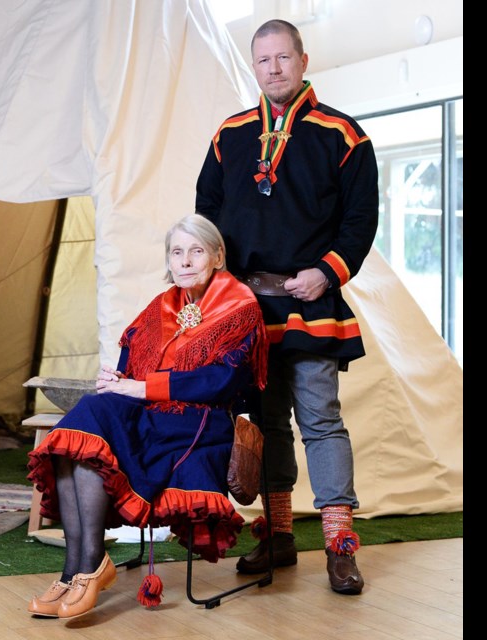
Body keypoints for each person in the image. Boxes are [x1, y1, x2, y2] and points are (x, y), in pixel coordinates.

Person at [195, 19, 379, 596]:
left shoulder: (342, 135)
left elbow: (360, 220)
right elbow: (207, 213)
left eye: (282, 58)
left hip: (311, 303)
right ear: (253, 67)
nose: (273, 69)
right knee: (268, 423)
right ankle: (277, 536)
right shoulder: (230, 134)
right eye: (262, 60)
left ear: (302, 59)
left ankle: (339, 546)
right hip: (248, 308)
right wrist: (218, 287)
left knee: (320, 421)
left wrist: (325, 271)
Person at [26, 213, 268, 618]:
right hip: (154, 414)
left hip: (199, 422)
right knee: (84, 435)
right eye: (177, 252)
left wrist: (142, 387)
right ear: (169, 261)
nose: (186, 261)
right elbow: (131, 363)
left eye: (197, 251)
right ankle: (77, 569)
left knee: (92, 419)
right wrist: (118, 377)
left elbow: (221, 381)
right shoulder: (162, 305)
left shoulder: (240, 307)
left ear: (217, 257)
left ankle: (85, 567)